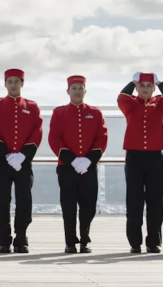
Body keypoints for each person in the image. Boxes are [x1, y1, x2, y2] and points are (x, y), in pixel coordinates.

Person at [48, 75, 108, 253]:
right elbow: (54, 138)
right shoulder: (59, 113)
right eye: (74, 88)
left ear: (85, 91)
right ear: (68, 91)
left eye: (80, 88)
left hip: (88, 167)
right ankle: (70, 241)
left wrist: (89, 159)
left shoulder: (95, 112)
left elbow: (102, 137)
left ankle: (85, 240)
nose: (77, 91)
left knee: (88, 205)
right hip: (67, 166)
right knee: (68, 205)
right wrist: (72, 160)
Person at [118, 72, 163, 253]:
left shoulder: (159, 104)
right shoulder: (130, 104)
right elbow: (121, 98)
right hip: (134, 158)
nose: (145, 89)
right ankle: (135, 242)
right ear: (137, 88)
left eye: (149, 86)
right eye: (141, 86)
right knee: (134, 200)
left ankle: (153, 242)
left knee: (155, 202)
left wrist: (161, 82)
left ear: (153, 88)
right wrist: (131, 82)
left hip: (154, 157)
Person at [0, 68, 42, 253]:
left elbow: (37, 131)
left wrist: (24, 154)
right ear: (5, 84)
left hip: (23, 162)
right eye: (9, 81)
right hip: (2, 161)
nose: (13, 85)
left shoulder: (32, 106)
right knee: (1, 202)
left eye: (17, 81)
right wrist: (6, 154)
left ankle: (21, 238)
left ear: (22, 84)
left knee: (24, 202)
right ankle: (3, 240)